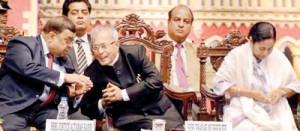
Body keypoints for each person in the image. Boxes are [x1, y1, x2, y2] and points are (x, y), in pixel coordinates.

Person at [80, 26, 183, 130]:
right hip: (130, 118)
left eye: (104, 46)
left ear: (116, 44)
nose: (100, 51)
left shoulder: (135, 53)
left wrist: (122, 94)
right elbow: (85, 107)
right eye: (95, 47)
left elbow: (156, 81)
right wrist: (103, 102)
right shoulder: (92, 72)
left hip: (161, 110)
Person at [0, 16, 93, 130]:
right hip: (15, 109)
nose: (70, 45)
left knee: (63, 127)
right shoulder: (22, 44)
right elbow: (27, 68)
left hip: (45, 111)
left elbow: (65, 102)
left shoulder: (64, 59)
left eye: (72, 41)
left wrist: (74, 94)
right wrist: (64, 77)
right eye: (67, 40)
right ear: (52, 36)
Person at [213, 22, 300, 130]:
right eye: (262, 48)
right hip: (243, 107)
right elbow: (218, 83)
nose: (265, 53)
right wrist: (251, 93)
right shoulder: (237, 55)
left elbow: (295, 85)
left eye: (270, 49)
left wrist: (281, 91)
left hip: (274, 108)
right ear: (251, 40)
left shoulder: (277, 56)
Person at [62, 0, 93, 119]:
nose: (80, 16)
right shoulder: (59, 45)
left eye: (84, 12)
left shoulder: (98, 43)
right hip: (72, 103)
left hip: (102, 101)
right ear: (65, 17)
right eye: (75, 13)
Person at [157, 5, 200, 92]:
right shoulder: (153, 48)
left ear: (191, 26)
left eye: (186, 21)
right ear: (168, 22)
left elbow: (211, 78)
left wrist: (192, 92)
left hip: (193, 100)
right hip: (164, 100)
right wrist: (170, 89)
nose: (181, 25)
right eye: (177, 20)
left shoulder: (198, 51)